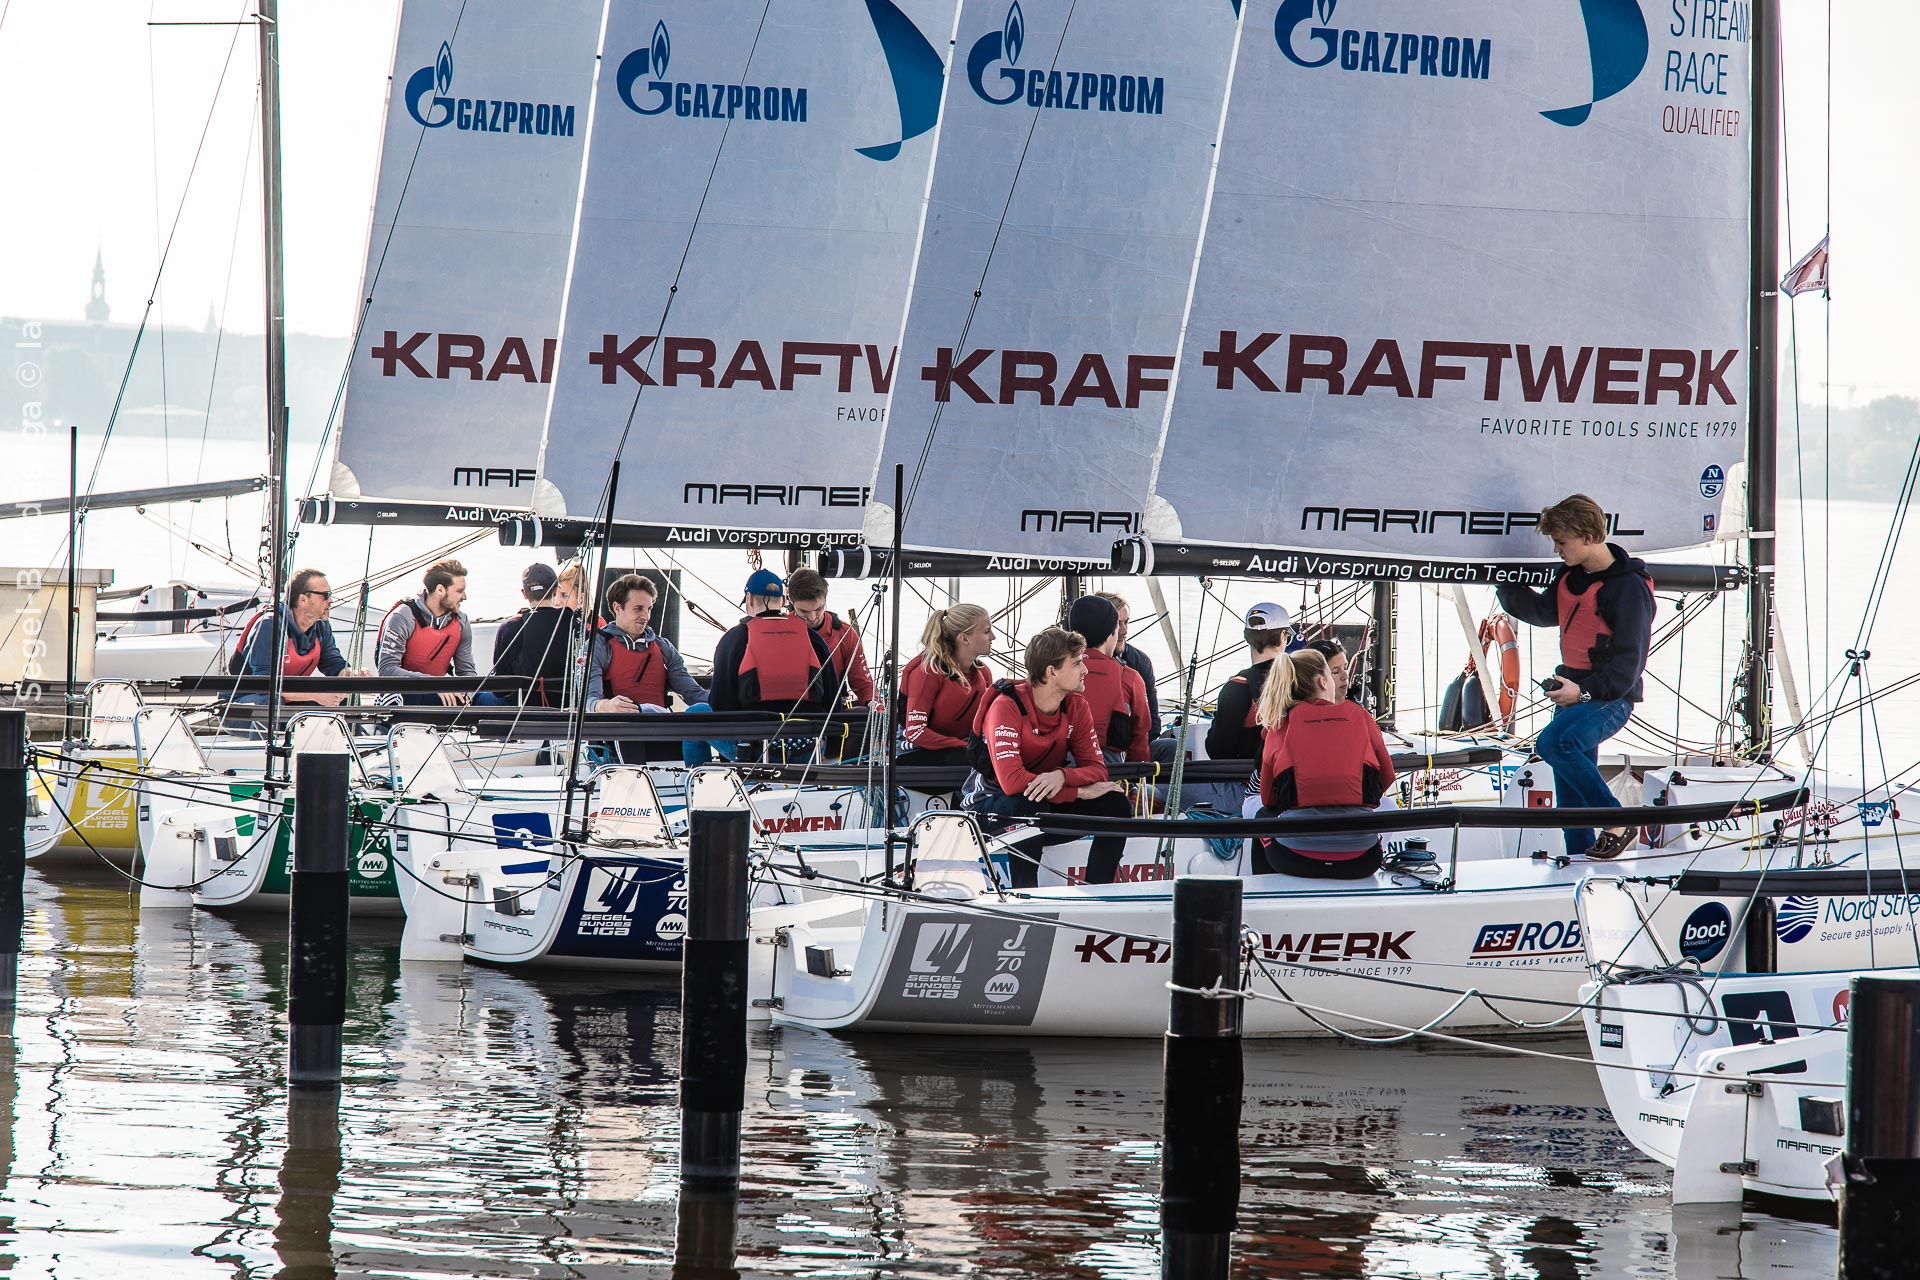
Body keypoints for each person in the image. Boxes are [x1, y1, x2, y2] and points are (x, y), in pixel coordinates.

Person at [1495, 493, 1655, 860]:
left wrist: (1582, 692)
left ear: (1588, 537)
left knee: (1554, 744)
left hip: (1609, 698)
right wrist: (1502, 584)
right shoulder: (1572, 574)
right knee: (1570, 804)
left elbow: (1628, 668)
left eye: (1561, 542)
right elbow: (1543, 611)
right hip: (1571, 694)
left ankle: (1617, 820)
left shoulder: (1628, 589)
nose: (1556, 550)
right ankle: (1579, 865)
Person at [962, 626, 1131, 888]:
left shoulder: (1076, 705)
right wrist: (1077, 792)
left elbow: (1098, 770)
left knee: (1116, 804)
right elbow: (1013, 783)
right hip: (990, 811)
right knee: (1026, 803)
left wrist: (1062, 775)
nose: (1085, 670)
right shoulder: (1006, 706)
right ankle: (1025, 892)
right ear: (1052, 672)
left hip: (1044, 806)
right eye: (1076, 663)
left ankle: (1098, 889)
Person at [1253, 648, 1397, 879]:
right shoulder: (1360, 716)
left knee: (1262, 817)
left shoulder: (1279, 726)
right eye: (1331, 674)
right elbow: (1387, 778)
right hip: (1361, 860)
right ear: (1322, 681)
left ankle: (1263, 891)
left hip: (1293, 859)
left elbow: (1268, 798)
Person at [707, 569, 837, 761]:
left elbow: (720, 702)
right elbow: (833, 699)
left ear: (750, 599)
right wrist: (829, 747)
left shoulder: (734, 639)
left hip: (756, 751)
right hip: (808, 749)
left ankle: (704, 776)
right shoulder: (813, 638)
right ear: (784, 601)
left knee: (696, 712)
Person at [585, 573, 710, 763]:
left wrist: (725, 703)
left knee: (696, 717)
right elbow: (589, 700)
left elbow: (692, 693)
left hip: (659, 730)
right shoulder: (597, 646)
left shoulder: (663, 647)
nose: (645, 616)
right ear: (617, 608)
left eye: (649, 609)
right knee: (627, 735)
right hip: (617, 735)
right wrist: (606, 705)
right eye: (638, 609)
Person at [230, 568, 368, 721]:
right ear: (303, 600)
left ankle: (350, 735)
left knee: (346, 695)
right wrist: (316, 695)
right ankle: (270, 738)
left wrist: (352, 674)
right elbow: (265, 684)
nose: (330, 601)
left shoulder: (320, 625)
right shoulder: (269, 625)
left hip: (289, 699)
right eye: (325, 596)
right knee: (271, 701)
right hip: (244, 703)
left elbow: (332, 664)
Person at [1194, 603, 1292, 817]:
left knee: (1160, 785)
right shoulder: (1300, 683)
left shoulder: (1237, 687)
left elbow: (1218, 751)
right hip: (1291, 790)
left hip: (1245, 793)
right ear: (1283, 636)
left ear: (1247, 637)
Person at [896, 603, 994, 768]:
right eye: (986, 631)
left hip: (959, 747)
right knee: (979, 760)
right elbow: (915, 733)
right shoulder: (928, 673)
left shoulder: (983, 673)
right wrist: (965, 746)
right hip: (915, 752)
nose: (993, 637)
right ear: (964, 638)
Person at [375, 559, 477, 707]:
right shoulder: (402, 617)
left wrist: (466, 697)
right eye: (459, 591)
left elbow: (467, 672)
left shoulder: (461, 622)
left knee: (485, 699)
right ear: (440, 590)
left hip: (438, 692)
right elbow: (387, 670)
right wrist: (433, 684)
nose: (464, 596)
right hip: (402, 695)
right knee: (413, 697)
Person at [1065, 595, 1152, 765]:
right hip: (1110, 771)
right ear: (1111, 634)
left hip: (1059, 769)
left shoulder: (1055, 671)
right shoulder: (1129, 678)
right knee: (1167, 753)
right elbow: (1139, 740)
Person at [495, 560, 583, 708]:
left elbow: (501, 690)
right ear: (555, 590)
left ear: (524, 593)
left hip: (524, 711)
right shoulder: (575, 624)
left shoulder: (508, 628)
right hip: (566, 710)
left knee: (480, 698)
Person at [787, 568, 876, 709]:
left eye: (818, 609)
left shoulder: (845, 634)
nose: (812, 617)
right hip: (789, 709)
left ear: (825, 599)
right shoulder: (779, 632)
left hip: (831, 710)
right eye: (804, 611)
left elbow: (863, 684)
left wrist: (873, 702)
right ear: (791, 601)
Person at [1096, 590, 1163, 739]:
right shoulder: (1076, 662)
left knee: (1170, 747)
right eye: (1117, 624)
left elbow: (1153, 723)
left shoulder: (1140, 662)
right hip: (1092, 744)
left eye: (1126, 622)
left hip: (1134, 744)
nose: (1124, 630)